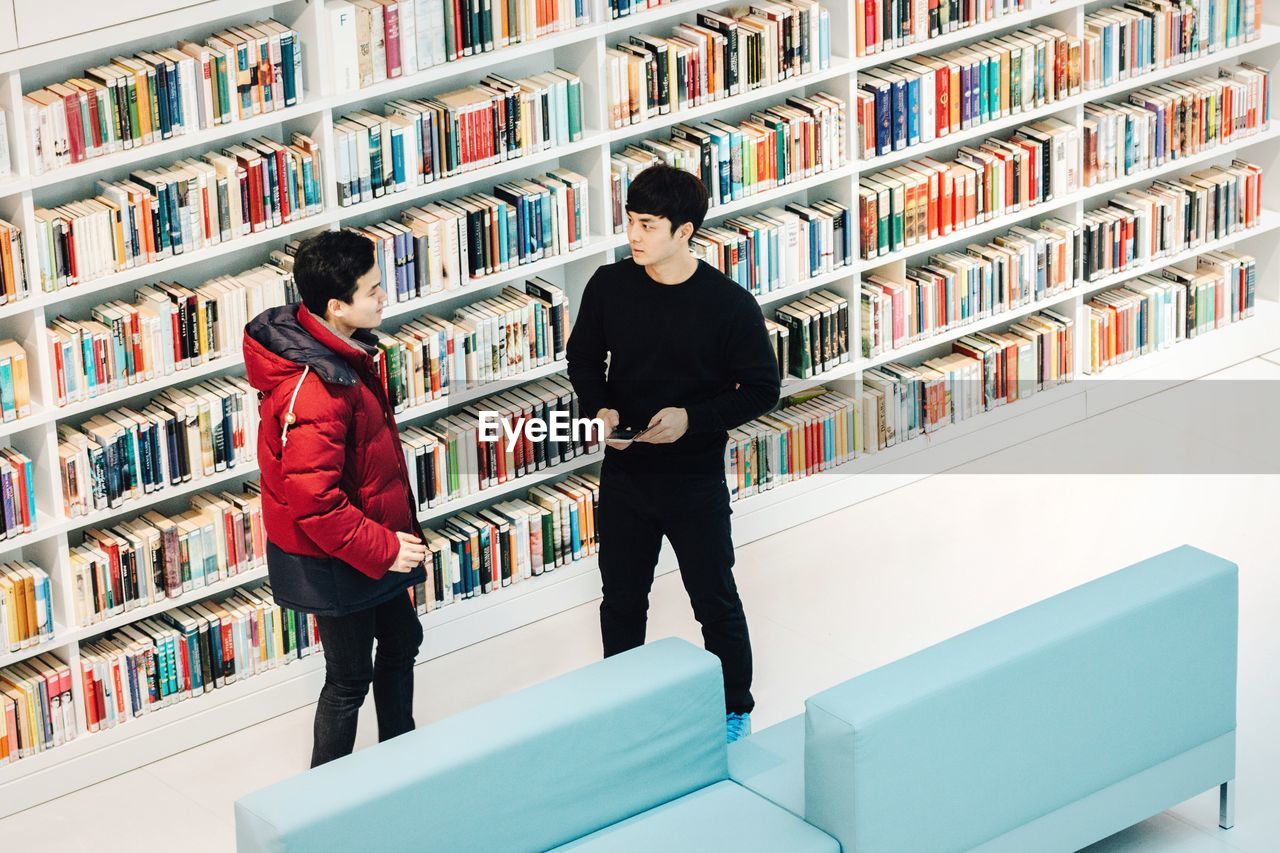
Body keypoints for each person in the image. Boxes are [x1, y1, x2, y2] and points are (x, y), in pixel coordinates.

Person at [566, 164, 782, 743]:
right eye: (630, 221)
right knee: (621, 601)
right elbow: (584, 360)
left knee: (714, 600)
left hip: (693, 480)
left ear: (684, 232)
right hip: (626, 475)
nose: (633, 236)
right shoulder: (609, 287)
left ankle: (736, 711)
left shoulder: (729, 306)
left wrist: (695, 420)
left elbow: (763, 388)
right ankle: (624, 706)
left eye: (647, 225)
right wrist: (602, 408)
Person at [243, 229, 428, 767]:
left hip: (366, 539)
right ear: (336, 306)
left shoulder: (343, 352)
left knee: (401, 640)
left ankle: (401, 753)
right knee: (349, 678)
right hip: (336, 555)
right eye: (373, 290)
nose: (383, 297)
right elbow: (314, 503)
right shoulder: (319, 389)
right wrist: (387, 549)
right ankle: (326, 796)